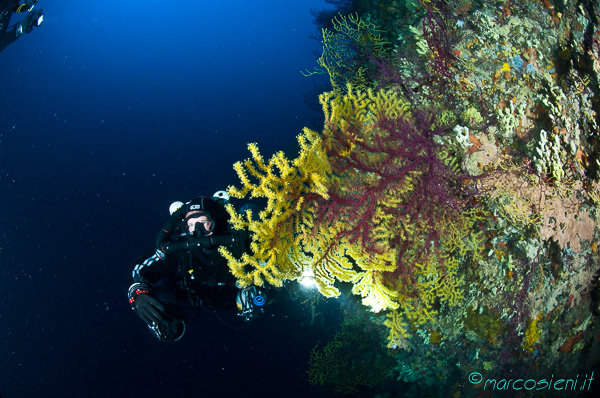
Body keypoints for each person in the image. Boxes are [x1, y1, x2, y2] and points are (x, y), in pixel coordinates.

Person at [127, 193, 266, 342]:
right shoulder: (179, 248)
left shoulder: (236, 239)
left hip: (234, 294)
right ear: (185, 227)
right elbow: (142, 268)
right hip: (196, 297)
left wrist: (260, 287)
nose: (198, 231)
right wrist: (137, 293)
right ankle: (165, 321)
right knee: (157, 287)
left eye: (204, 222)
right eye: (192, 225)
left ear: (215, 221)